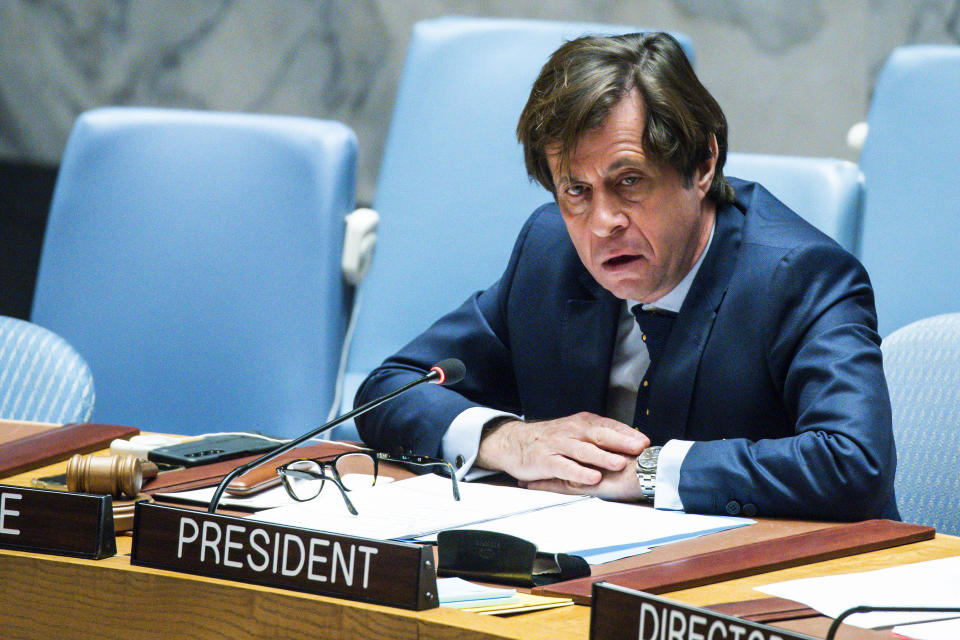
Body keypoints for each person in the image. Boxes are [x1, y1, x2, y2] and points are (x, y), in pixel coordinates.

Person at [354, 31, 898, 521]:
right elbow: (390, 389)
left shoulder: (799, 276)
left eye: (630, 181)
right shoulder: (549, 252)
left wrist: (649, 473)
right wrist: (507, 439)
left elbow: (854, 462)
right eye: (576, 191)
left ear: (703, 163)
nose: (602, 224)